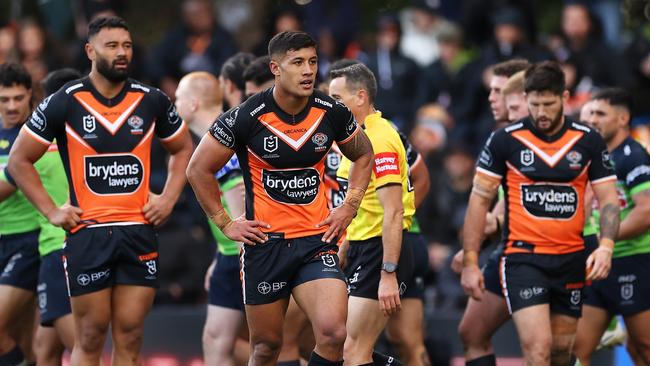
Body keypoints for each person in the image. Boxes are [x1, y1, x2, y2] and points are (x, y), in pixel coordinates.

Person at [8, 16, 193, 365]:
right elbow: (19, 160)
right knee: (91, 336)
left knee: (131, 334)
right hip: (88, 234)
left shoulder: (151, 99)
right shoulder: (65, 101)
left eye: (127, 46)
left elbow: (184, 149)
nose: (122, 53)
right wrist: (51, 211)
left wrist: (168, 198)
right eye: (112, 46)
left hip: (138, 232)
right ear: (90, 51)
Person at [186, 30, 373, 366]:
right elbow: (197, 169)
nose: (308, 71)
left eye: (313, 62)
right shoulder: (246, 116)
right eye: (297, 62)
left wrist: (349, 206)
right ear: (275, 68)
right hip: (265, 247)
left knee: (333, 334)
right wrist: (225, 223)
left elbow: (364, 154)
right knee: (267, 347)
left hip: (316, 242)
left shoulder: (330, 111)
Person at [461, 61, 620, 366]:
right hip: (523, 259)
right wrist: (470, 260)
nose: (541, 113)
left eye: (548, 104)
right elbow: (478, 202)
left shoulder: (588, 140)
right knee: (538, 349)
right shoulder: (504, 140)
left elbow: (609, 199)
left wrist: (606, 248)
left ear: (564, 96)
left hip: (572, 259)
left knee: (561, 353)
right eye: (534, 104)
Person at [328, 63, 414, 365]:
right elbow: (364, 205)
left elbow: (393, 211)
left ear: (361, 97)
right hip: (363, 246)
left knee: (354, 350)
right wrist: (347, 243)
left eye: (337, 99)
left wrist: (388, 273)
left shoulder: (380, 140)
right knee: (343, 344)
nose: (330, 107)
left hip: (382, 249)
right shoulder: (357, 136)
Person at [450, 59, 530, 366]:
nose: (491, 98)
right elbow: (502, 201)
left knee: (546, 347)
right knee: (471, 332)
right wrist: (472, 249)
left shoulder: (545, 138)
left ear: (520, 93)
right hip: (508, 249)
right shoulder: (502, 138)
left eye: (498, 91)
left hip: (550, 252)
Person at [574, 88, 650, 365]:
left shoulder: (633, 156)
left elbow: (646, 212)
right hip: (599, 264)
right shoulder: (595, 156)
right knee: (576, 349)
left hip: (634, 261)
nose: (592, 119)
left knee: (643, 348)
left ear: (622, 118)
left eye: (600, 113)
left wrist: (605, 241)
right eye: (590, 112)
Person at [29, 68, 82, 366]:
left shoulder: (39, 150)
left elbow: (13, 176)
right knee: (44, 349)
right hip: (83, 245)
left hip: (58, 251)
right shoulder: (96, 142)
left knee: (82, 350)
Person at [0, 62, 40, 366]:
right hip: (3, 239)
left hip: (29, 241)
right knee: (24, 341)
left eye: (18, 98)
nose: (12, 106)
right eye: (4, 99)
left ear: (30, 95)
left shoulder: (35, 136)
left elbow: (6, 187)